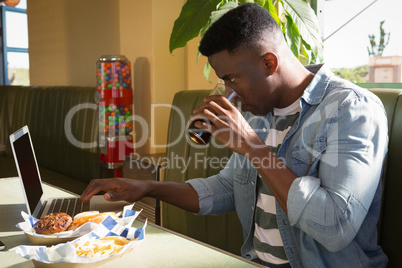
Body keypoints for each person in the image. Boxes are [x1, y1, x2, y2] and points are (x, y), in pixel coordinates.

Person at [81, 3, 388, 267]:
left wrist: (253, 147)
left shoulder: (351, 109)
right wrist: (148, 187)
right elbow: (228, 188)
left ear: (269, 62)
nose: (229, 93)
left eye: (232, 79)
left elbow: (335, 227)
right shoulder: (259, 111)